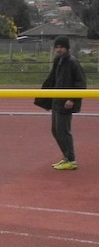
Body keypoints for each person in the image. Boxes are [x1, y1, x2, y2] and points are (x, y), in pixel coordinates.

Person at [36, 36, 86, 170]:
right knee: (55, 130)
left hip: (66, 102)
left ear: (67, 48)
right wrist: (45, 98)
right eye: (57, 47)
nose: (58, 50)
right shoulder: (58, 60)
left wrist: (72, 99)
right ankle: (66, 157)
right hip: (56, 101)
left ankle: (71, 159)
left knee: (63, 131)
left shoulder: (72, 62)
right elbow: (53, 79)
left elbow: (81, 83)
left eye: (61, 47)